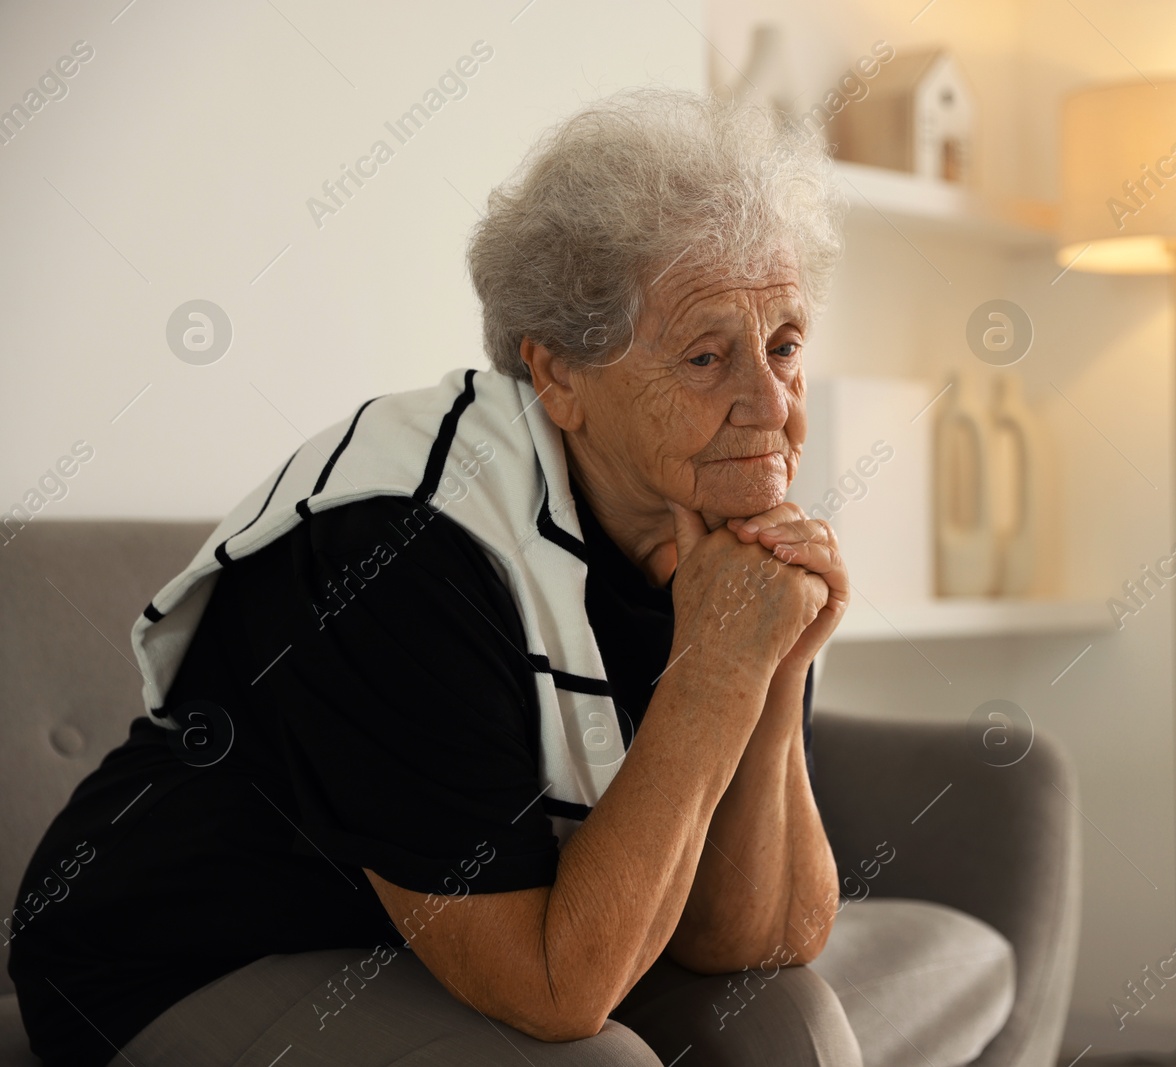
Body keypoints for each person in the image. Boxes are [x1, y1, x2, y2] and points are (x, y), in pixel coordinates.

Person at [9, 87, 867, 1066]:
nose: (771, 405)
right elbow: (557, 991)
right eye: (708, 356)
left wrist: (779, 652)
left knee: (783, 1026)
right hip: (180, 955)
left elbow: (760, 938)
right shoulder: (393, 547)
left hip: (441, 934)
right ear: (556, 378)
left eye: (786, 344)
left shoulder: (714, 532)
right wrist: (716, 668)